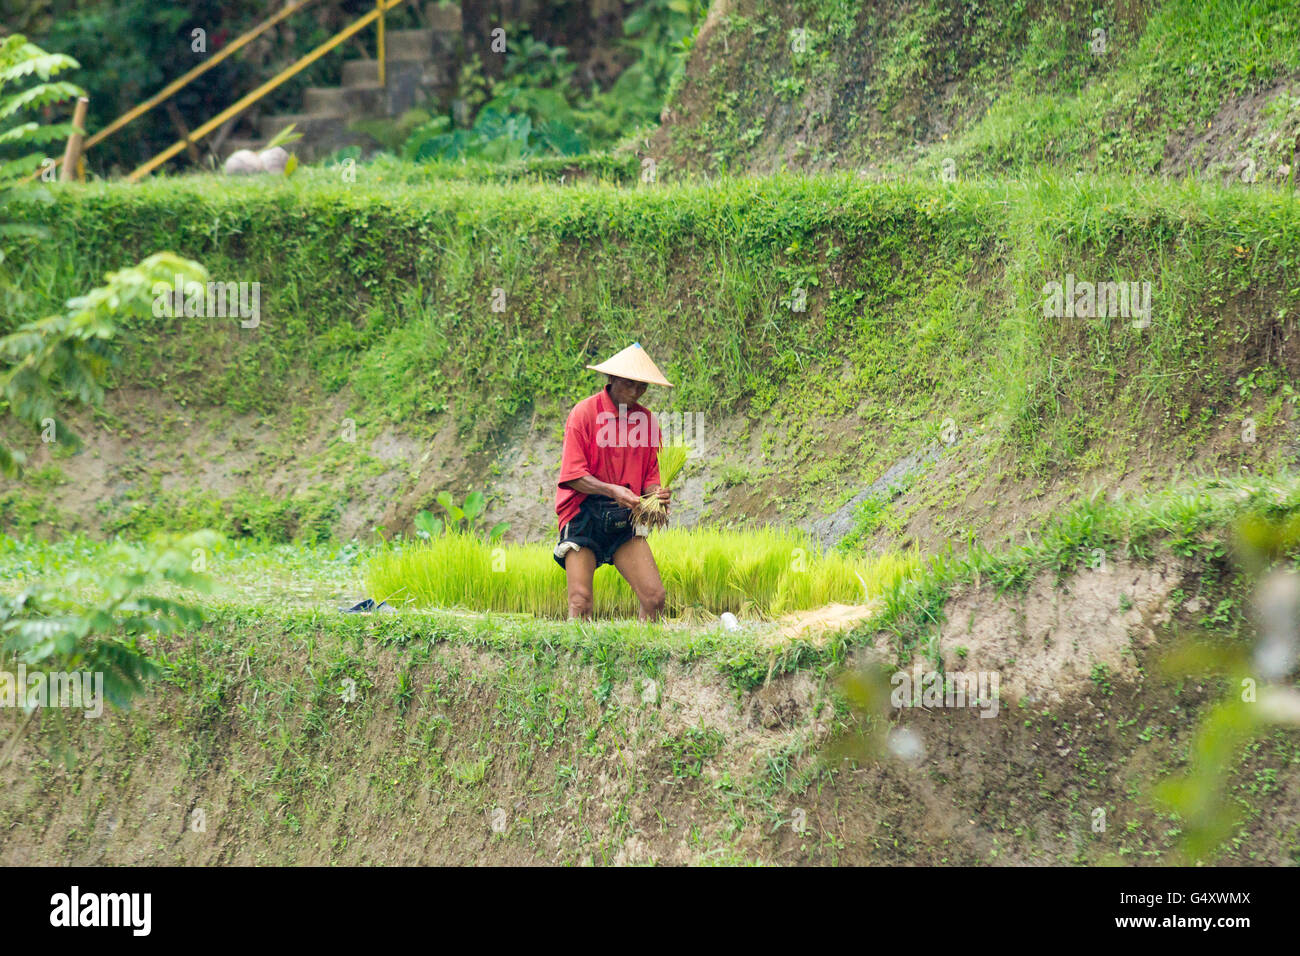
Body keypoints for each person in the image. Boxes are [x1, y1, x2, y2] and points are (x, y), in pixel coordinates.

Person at [554, 343, 673, 621]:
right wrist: (611, 490)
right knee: (580, 601)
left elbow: (650, 478)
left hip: (624, 516)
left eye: (642, 387)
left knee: (654, 598)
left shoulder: (647, 422)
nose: (635, 392)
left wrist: (657, 495)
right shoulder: (584, 414)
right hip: (584, 513)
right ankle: (578, 662)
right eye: (629, 384)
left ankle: (645, 658)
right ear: (612, 380)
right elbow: (573, 476)